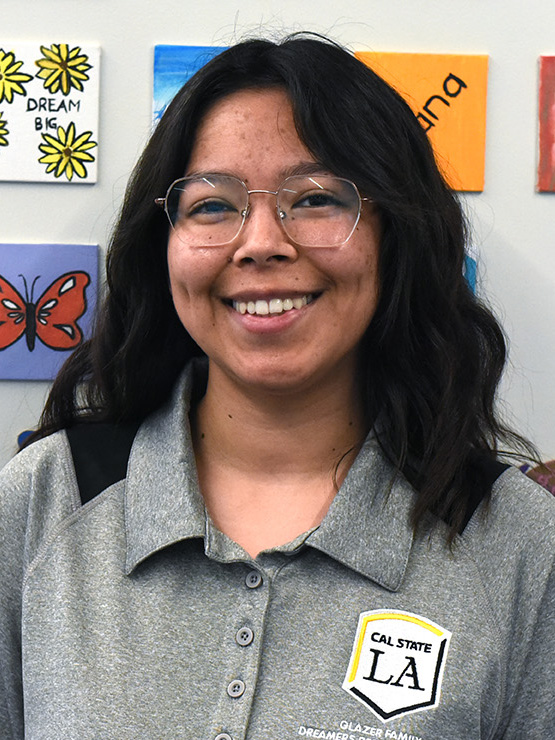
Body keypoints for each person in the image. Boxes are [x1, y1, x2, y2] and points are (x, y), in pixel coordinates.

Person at [0, 33, 553, 740]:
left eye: (316, 197)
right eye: (211, 206)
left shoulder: (516, 542)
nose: (261, 241)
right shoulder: (44, 503)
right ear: (160, 245)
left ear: (396, 236)